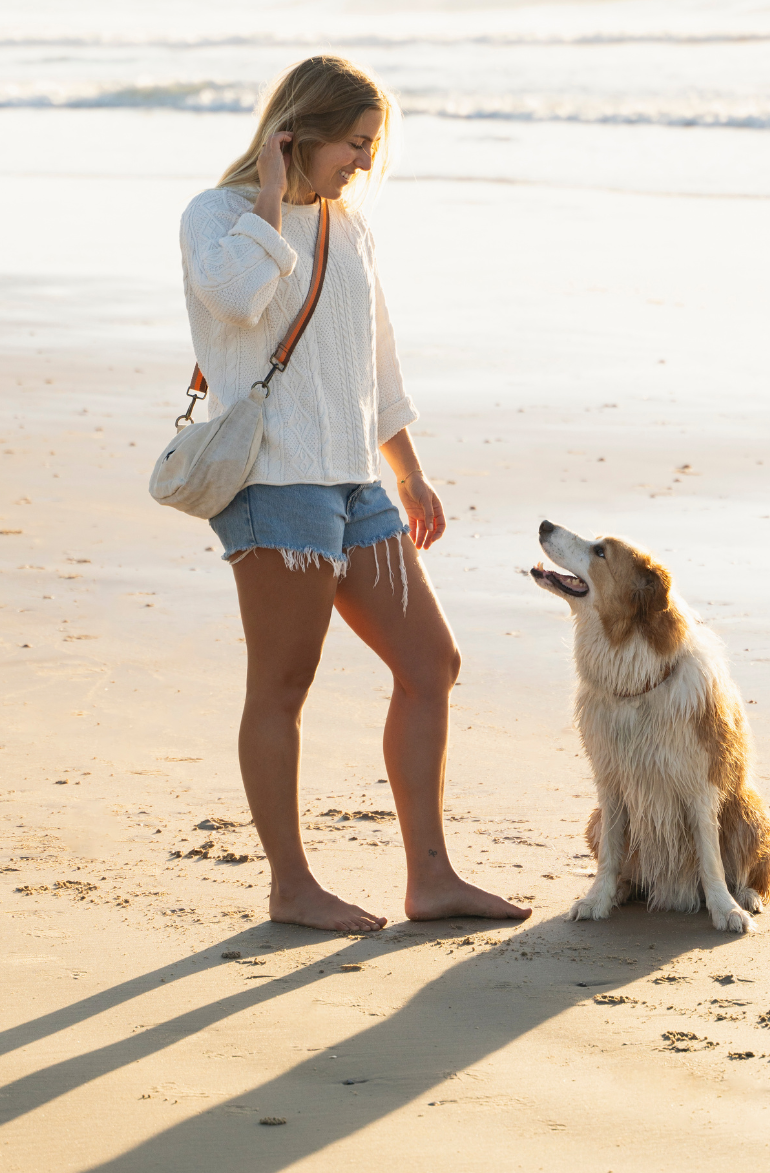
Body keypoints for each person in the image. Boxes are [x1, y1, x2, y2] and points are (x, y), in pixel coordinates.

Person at [180, 55, 529, 933]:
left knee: (431, 666)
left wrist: (408, 469)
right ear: (297, 130)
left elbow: (374, 360)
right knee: (284, 686)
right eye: (354, 144)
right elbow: (236, 300)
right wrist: (269, 197)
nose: (364, 164)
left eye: (372, 146)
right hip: (274, 486)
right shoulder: (216, 218)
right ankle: (291, 887)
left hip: (354, 480)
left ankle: (432, 879)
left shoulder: (348, 227)